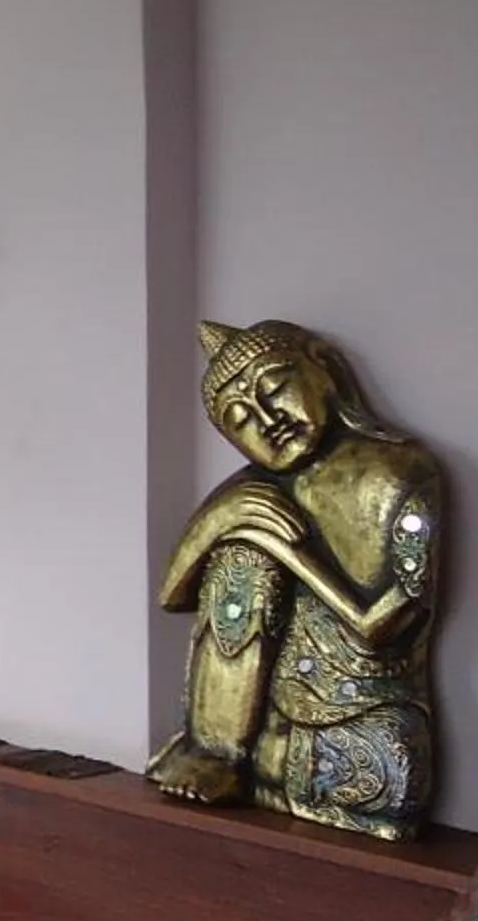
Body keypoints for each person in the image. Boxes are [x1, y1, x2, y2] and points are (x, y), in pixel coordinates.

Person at [147, 319, 444, 839]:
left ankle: (243, 761)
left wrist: (291, 552)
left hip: (360, 713)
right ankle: (217, 750)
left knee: (389, 768)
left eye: (275, 388)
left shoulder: (401, 472)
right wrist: (218, 519)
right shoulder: (252, 492)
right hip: (256, 717)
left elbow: (381, 628)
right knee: (241, 555)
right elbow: (171, 596)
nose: (267, 421)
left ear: (323, 365)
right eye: (240, 420)